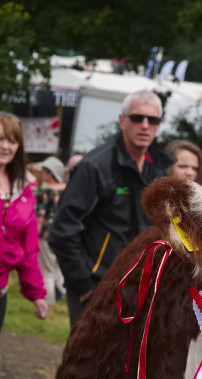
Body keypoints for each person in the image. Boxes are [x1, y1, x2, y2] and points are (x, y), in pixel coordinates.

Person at [49, 90, 175, 326]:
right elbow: (62, 231)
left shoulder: (160, 169)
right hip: (98, 284)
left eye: (153, 120)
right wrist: (84, 285)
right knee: (89, 360)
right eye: (137, 118)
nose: (145, 126)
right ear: (122, 120)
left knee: (130, 361)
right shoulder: (94, 167)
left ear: (159, 125)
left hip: (142, 285)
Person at [0, 112, 49, 331]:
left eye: (12, 141)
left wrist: (36, 293)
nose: (6, 147)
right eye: (0, 139)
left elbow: (28, 249)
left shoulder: (24, 189)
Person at [35, 156, 67, 310]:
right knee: (57, 268)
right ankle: (64, 295)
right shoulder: (67, 190)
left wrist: (34, 236)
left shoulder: (45, 191)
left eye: (43, 170)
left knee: (46, 271)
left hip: (46, 236)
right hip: (64, 236)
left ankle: (48, 304)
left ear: (50, 173)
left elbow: (40, 216)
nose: (41, 173)